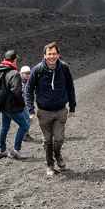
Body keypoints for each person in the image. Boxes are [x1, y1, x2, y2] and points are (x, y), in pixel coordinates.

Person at [25, 42, 76, 177]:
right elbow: (28, 90)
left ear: (58, 55)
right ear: (44, 55)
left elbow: (70, 87)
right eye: (49, 54)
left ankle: (58, 155)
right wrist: (30, 110)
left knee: (59, 139)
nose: (52, 56)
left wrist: (72, 107)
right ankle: (50, 164)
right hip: (44, 112)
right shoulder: (37, 70)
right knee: (47, 140)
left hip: (60, 111)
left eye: (54, 54)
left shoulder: (64, 68)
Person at [0, 49, 30, 160]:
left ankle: (2, 150)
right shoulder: (14, 73)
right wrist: (22, 105)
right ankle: (16, 150)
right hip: (12, 107)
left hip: (3, 105)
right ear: (14, 59)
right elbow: (17, 92)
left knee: (5, 127)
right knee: (25, 125)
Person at [20, 65, 36, 142]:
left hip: (27, 104)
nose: (28, 75)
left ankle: (25, 134)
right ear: (21, 74)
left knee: (28, 120)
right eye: (26, 73)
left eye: (29, 73)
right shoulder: (18, 83)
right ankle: (24, 135)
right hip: (21, 105)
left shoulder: (30, 82)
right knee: (26, 120)